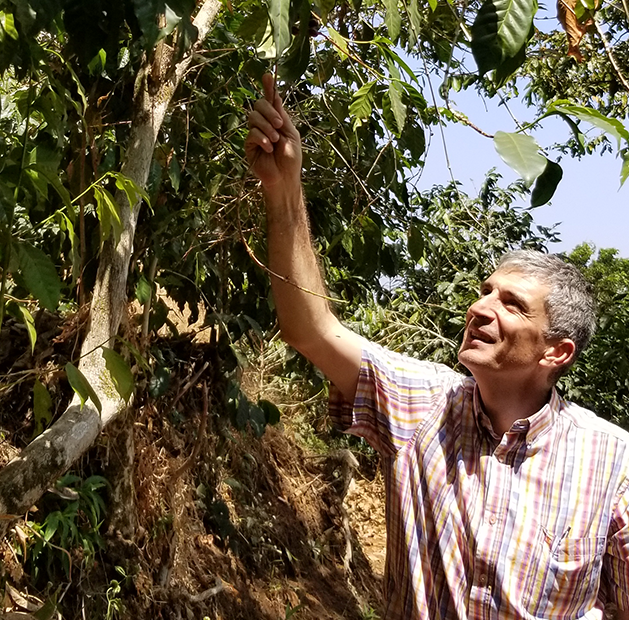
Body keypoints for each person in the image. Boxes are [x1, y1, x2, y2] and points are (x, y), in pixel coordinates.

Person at [245, 74, 629, 620]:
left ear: (556, 352)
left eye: (512, 305)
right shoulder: (422, 405)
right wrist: (283, 190)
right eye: (484, 293)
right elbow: (313, 329)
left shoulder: (613, 461)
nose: (480, 308)